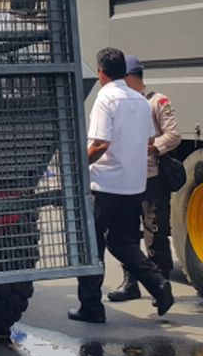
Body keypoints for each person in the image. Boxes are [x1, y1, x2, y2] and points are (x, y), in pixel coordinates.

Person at [69, 47, 174, 323]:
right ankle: (158, 284)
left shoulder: (106, 98)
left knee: (91, 247)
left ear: (101, 72)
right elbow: (149, 141)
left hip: (104, 186)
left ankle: (91, 307)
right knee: (122, 241)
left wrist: (79, 166)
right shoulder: (140, 101)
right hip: (133, 186)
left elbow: (101, 143)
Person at [109, 55, 182, 302]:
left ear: (131, 77)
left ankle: (160, 283)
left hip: (152, 177)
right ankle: (130, 283)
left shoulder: (158, 101)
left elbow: (173, 135)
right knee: (126, 232)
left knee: (155, 231)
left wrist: (150, 147)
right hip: (127, 178)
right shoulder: (123, 102)